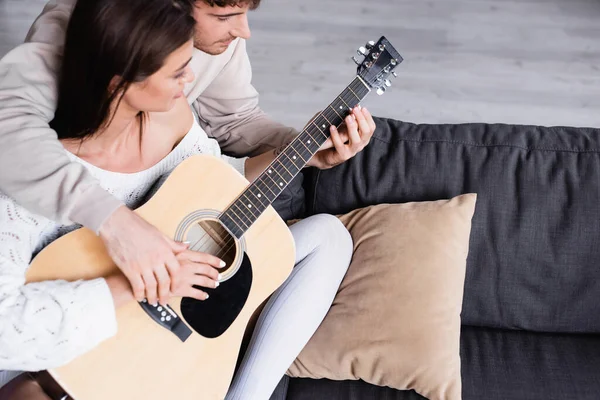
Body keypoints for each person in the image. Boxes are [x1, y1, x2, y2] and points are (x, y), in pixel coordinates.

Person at [0, 0, 377, 398]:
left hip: (177, 325)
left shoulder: (172, 114)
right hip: (78, 355)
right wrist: (139, 283)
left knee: (329, 237)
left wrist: (301, 155)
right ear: (119, 82)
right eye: (179, 71)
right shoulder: (33, 178)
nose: (192, 81)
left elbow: (208, 182)